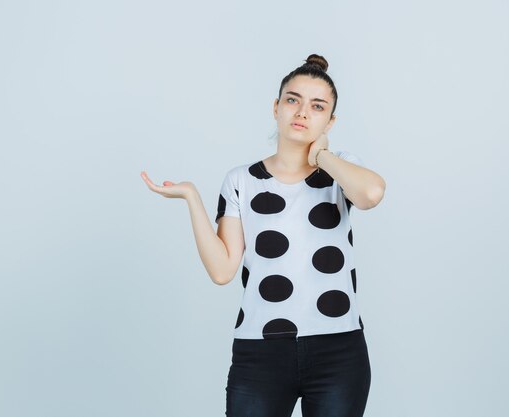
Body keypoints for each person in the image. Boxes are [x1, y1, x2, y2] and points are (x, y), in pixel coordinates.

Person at [140, 53, 386, 417]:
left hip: (339, 351)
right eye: (293, 100)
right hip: (261, 352)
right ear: (276, 107)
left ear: (330, 121)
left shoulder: (342, 171)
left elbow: (371, 195)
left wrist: (323, 157)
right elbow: (223, 270)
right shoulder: (241, 180)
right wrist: (192, 198)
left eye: (317, 107)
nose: (302, 113)